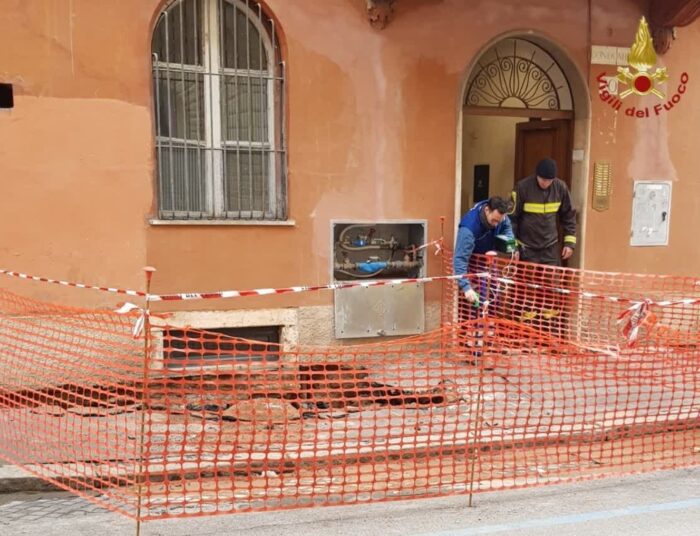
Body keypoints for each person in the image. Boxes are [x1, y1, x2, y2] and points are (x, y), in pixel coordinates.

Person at [510, 158, 577, 265]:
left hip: (550, 248)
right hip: (527, 249)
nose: (546, 183)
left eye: (549, 181)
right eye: (543, 179)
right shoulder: (522, 187)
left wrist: (569, 243)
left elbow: (569, 216)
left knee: (552, 281)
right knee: (526, 281)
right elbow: (511, 219)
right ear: (537, 175)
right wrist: (512, 247)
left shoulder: (560, 188)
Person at [454, 196, 516, 305]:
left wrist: (510, 246)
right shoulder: (468, 229)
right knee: (477, 301)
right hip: (472, 263)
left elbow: (506, 227)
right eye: (494, 221)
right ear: (487, 210)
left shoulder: (502, 217)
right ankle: (475, 320)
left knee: (494, 297)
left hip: (489, 260)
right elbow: (460, 259)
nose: (496, 224)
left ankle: (491, 319)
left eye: (499, 221)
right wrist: (466, 287)